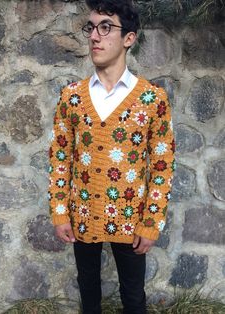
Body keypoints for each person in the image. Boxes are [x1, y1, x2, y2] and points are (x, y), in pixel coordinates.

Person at [48, 0, 175, 313]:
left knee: (133, 297)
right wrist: (61, 211)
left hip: (131, 218)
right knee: (88, 292)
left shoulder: (151, 99)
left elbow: (162, 166)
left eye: (106, 27)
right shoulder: (72, 96)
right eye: (90, 27)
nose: (94, 36)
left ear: (128, 38)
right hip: (82, 214)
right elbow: (60, 157)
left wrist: (151, 222)